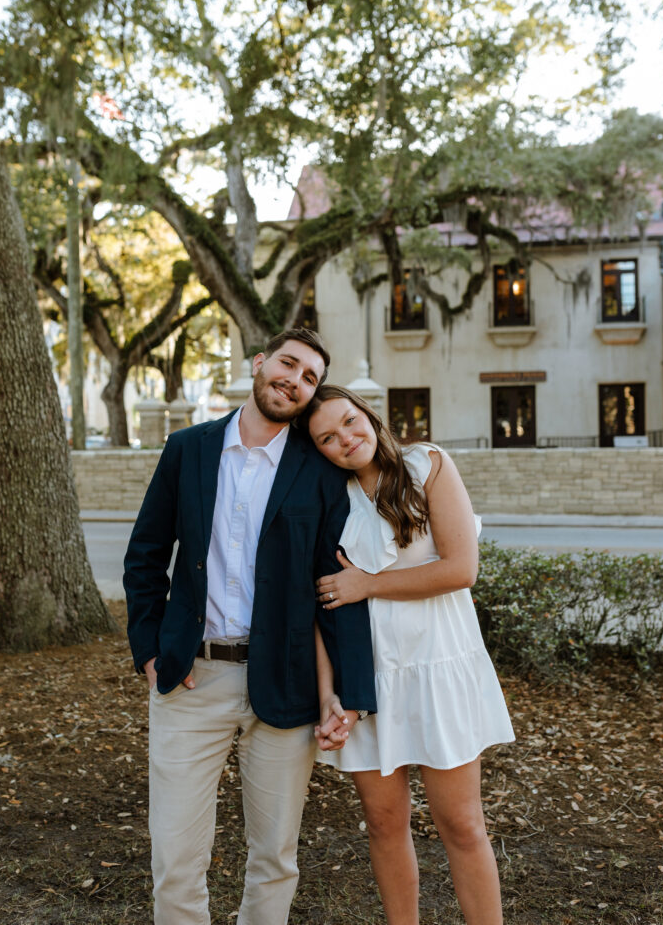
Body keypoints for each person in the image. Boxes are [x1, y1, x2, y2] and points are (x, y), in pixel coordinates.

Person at [123, 330, 376, 925]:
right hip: (192, 677)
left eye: (310, 377)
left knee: (275, 858)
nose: (295, 379)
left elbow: (334, 584)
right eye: (289, 364)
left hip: (284, 686)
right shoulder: (188, 449)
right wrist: (151, 649)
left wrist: (349, 691)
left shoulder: (317, 470)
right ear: (260, 364)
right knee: (177, 860)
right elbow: (146, 553)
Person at [303, 384, 515, 925]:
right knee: (383, 824)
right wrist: (332, 693)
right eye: (327, 437)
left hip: (441, 669)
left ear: (368, 415)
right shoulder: (331, 500)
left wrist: (367, 584)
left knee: (462, 825)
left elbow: (461, 568)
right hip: (369, 682)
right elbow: (325, 606)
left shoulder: (429, 466)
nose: (345, 440)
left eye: (350, 422)